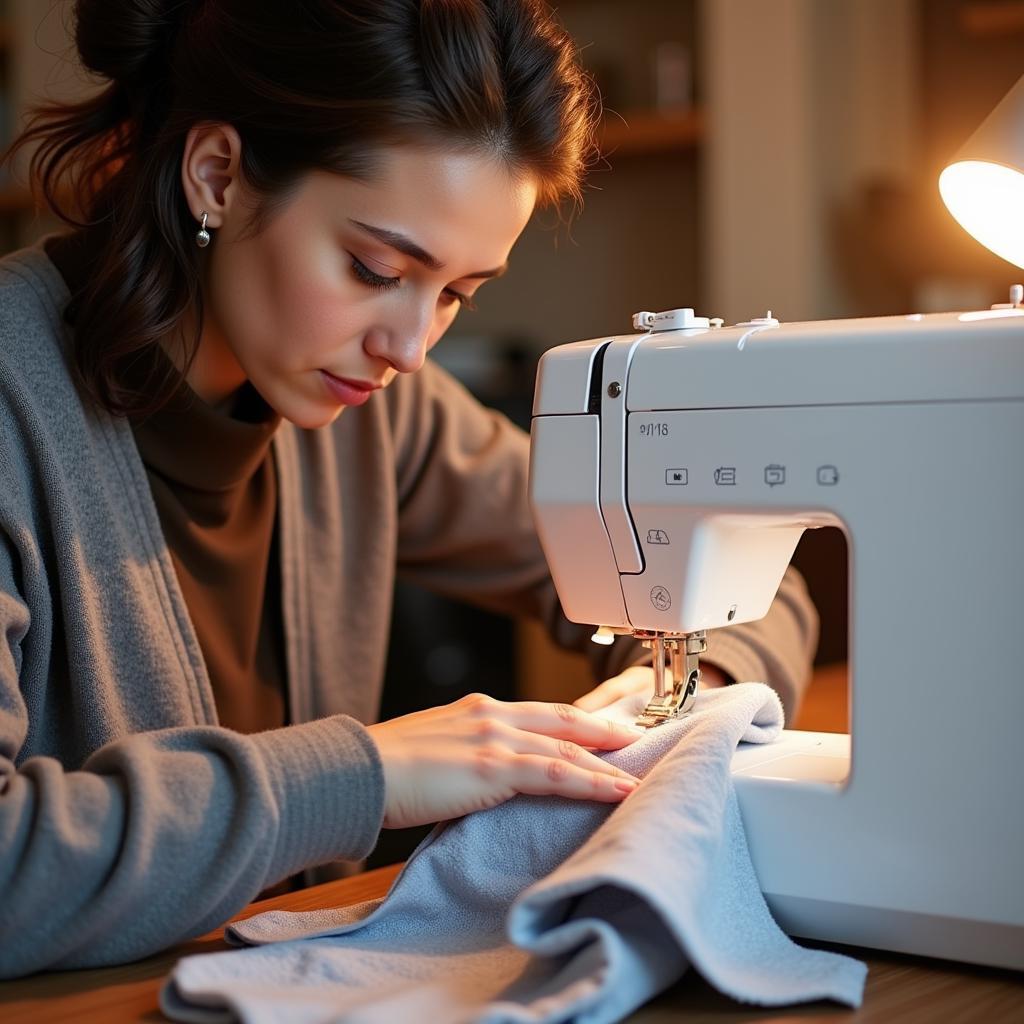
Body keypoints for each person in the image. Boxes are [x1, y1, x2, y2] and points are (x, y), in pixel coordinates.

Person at [0, 0, 817, 978]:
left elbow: (756, 588)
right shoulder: (17, 401)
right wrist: (372, 775)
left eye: (458, 294)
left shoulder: (383, 414)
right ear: (215, 176)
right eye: (374, 267)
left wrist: (678, 698)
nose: (410, 345)